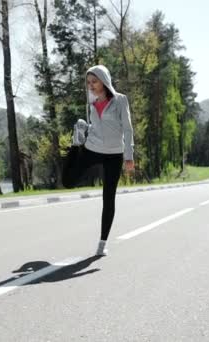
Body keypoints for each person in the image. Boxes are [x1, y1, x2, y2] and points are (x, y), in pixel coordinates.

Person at [62, 65, 135, 256]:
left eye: (94, 81)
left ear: (104, 80)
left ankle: (102, 244)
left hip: (114, 153)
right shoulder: (91, 102)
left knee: (108, 198)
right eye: (88, 82)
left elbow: (127, 129)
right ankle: (76, 143)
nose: (91, 85)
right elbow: (96, 124)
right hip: (93, 148)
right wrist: (87, 130)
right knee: (68, 182)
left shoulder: (120, 100)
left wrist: (129, 156)